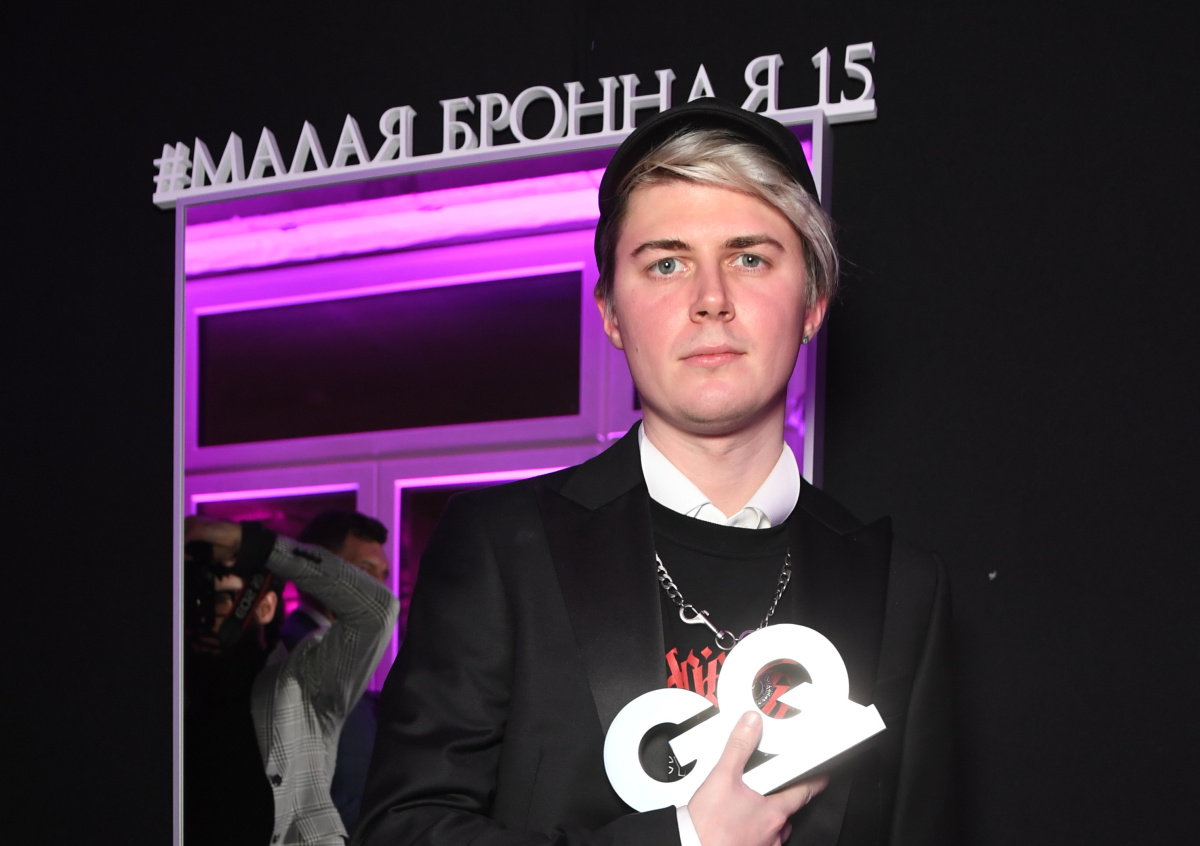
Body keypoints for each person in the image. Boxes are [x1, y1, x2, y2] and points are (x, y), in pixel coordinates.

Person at [354, 98, 953, 846]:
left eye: (750, 258)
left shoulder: (901, 586)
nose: (711, 300)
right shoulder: (502, 547)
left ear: (812, 303)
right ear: (611, 312)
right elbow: (401, 831)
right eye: (667, 263)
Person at [185, 514, 400, 846]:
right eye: (198, 600)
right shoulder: (178, 690)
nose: (208, 616)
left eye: (224, 599)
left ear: (264, 606)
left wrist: (254, 544)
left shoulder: (299, 674)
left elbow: (377, 609)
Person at [279, 510, 393, 838]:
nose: (380, 589)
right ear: (317, 573)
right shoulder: (295, 652)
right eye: (365, 571)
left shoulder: (344, 650)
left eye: (383, 575)